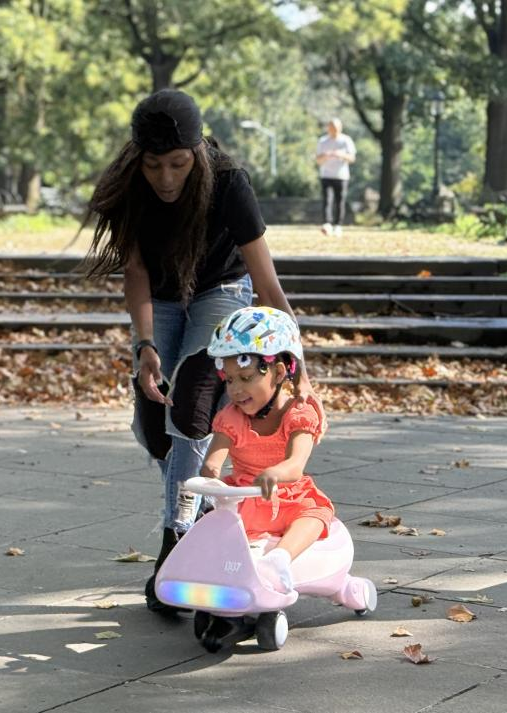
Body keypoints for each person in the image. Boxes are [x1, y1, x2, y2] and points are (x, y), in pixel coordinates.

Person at [82, 88, 309, 617]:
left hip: (222, 293)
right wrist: (143, 347)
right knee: (152, 423)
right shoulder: (130, 189)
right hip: (159, 296)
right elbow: (135, 271)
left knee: (191, 397)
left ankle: (175, 542)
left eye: (178, 164)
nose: (165, 178)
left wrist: (294, 355)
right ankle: (209, 505)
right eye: (154, 165)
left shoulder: (228, 181)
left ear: (197, 155)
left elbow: (266, 281)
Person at [199, 307, 333, 593]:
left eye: (246, 378)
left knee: (315, 512)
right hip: (245, 499)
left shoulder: (298, 413)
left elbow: (296, 463)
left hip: (288, 496)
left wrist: (275, 472)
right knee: (214, 521)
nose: (235, 390)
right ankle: (211, 571)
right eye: (231, 379)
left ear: (279, 372)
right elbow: (214, 460)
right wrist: (209, 475)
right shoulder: (230, 417)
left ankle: (280, 558)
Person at [315, 118, 356, 237]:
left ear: (340, 128)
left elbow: (352, 158)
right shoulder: (322, 141)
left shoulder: (346, 140)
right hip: (326, 175)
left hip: (341, 175)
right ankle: (327, 224)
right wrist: (326, 156)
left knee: (340, 201)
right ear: (329, 128)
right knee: (327, 200)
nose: (334, 130)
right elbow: (318, 159)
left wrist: (341, 154)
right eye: (332, 128)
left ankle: (338, 225)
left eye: (336, 128)